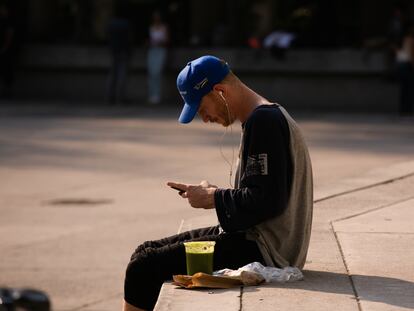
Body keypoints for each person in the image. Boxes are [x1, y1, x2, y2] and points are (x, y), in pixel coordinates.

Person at [123, 55, 313, 311]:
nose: (205, 118)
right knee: (144, 251)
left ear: (220, 91)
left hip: (265, 251)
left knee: (143, 266)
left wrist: (213, 197)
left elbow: (267, 201)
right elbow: (265, 192)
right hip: (259, 240)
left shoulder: (263, 122)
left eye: (202, 109)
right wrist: (216, 193)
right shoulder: (266, 117)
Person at [106, 8, 132, 105]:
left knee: (112, 74)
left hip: (114, 51)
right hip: (123, 51)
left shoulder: (111, 24)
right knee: (122, 75)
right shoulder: (126, 24)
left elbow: (107, 36)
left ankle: (110, 96)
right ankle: (120, 98)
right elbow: (129, 38)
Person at [147, 11, 168, 105]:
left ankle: (157, 95)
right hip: (152, 50)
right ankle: (151, 95)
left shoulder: (164, 28)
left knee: (157, 72)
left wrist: (160, 42)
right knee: (151, 73)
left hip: (160, 50)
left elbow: (167, 40)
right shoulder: (151, 27)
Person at [395, 24, 414, 116]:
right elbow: (411, 55)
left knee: (404, 89)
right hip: (407, 66)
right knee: (408, 89)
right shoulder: (410, 40)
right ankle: (407, 109)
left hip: (402, 66)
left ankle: (404, 109)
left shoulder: (404, 39)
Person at [0, 3, 16, 99]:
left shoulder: (8, 22)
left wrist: (5, 47)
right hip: (3, 49)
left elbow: (10, 35)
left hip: (6, 51)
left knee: (7, 69)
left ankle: (7, 90)